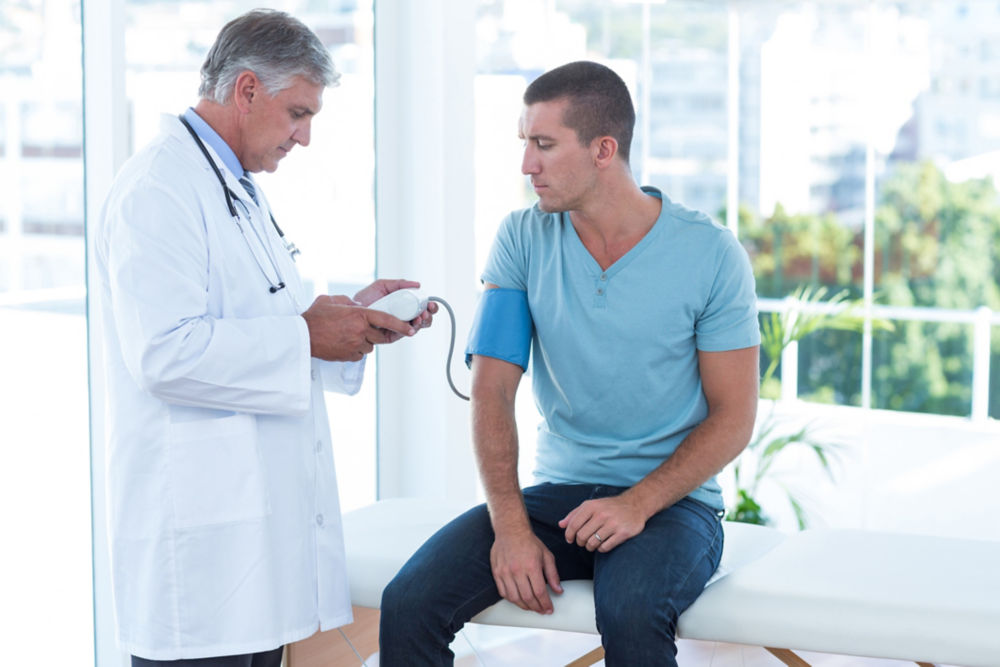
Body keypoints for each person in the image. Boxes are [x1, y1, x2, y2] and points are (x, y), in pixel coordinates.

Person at [379, 61, 760, 666]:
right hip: (558, 497)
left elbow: (735, 416)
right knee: (407, 603)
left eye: (544, 145)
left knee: (631, 609)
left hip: (671, 507)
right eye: (525, 144)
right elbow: (492, 393)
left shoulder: (711, 255)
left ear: (603, 149)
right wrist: (510, 529)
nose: (527, 165)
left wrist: (636, 503)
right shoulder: (521, 238)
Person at [95, 9, 435, 666]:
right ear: (247, 90)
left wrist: (351, 314)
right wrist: (306, 336)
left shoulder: (236, 190)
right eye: (297, 113)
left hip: (250, 561)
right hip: (195, 565)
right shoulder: (158, 189)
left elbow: (271, 312)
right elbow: (164, 354)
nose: (304, 137)